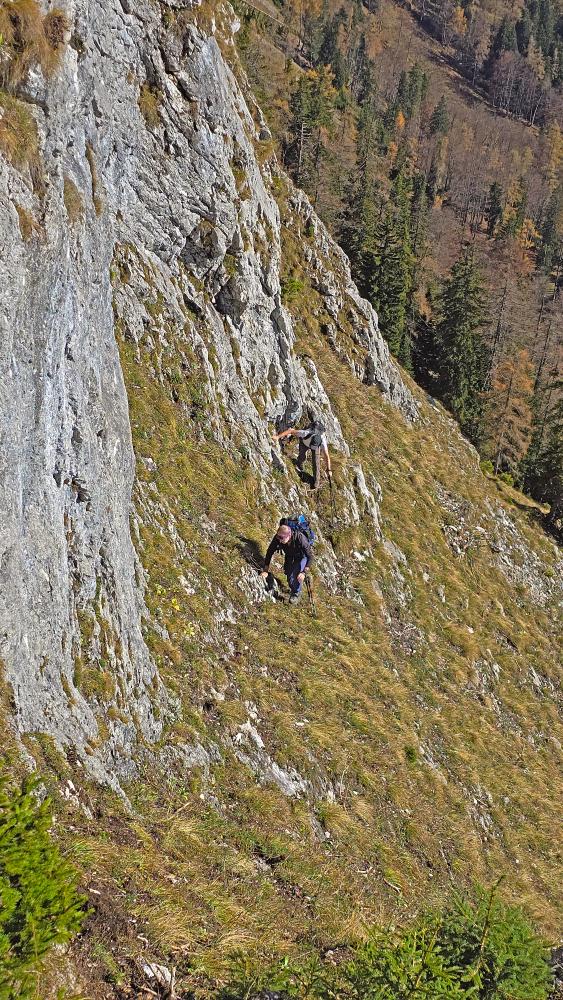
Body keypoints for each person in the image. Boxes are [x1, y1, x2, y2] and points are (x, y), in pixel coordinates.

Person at [261, 520, 314, 603]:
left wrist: (303, 572)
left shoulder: (300, 538)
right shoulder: (278, 538)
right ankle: (295, 586)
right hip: (290, 555)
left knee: (294, 577)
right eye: (278, 537)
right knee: (289, 576)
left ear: (289, 535)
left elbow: (310, 556)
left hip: (302, 556)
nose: (279, 540)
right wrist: (265, 569)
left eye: (281, 538)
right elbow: (270, 551)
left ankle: (296, 593)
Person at [273, 419, 331, 489]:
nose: (311, 448)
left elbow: (327, 456)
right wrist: (278, 437)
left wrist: (329, 469)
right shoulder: (305, 433)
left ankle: (316, 483)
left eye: (313, 447)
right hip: (304, 442)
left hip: (314, 445)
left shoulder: (322, 440)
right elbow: (290, 431)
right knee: (302, 456)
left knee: (316, 462)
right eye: (312, 446)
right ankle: (299, 464)